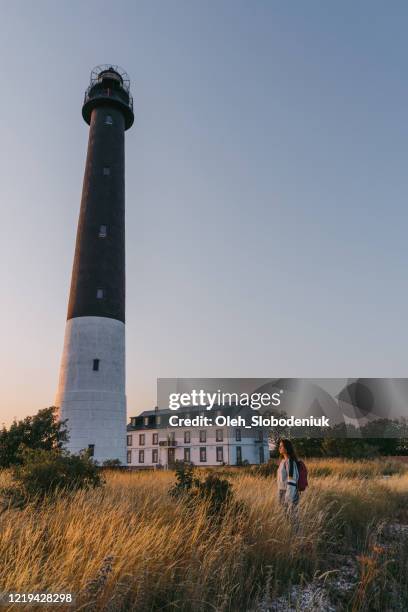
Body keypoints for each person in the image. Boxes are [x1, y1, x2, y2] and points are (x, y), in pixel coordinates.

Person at [277, 438, 300, 508]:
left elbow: (292, 481)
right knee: (284, 517)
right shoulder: (283, 462)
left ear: (287, 448)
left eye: (282, 446)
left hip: (289, 493)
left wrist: (288, 498)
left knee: (291, 517)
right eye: (279, 446)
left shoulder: (290, 462)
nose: (279, 447)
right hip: (282, 492)